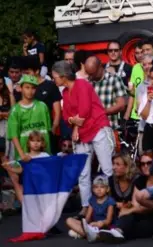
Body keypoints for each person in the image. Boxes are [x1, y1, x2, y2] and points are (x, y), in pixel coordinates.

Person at [52, 60, 114, 216]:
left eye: (55, 76)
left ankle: (111, 204)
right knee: (83, 172)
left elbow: (85, 110)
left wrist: (75, 126)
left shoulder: (83, 84)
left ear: (63, 76)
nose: (54, 79)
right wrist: (75, 123)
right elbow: (66, 116)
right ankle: (86, 206)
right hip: (81, 133)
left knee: (107, 168)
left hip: (97, 127)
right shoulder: (65, 92)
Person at [7, 75, 51, 161]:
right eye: (27, 87)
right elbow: (13, 135)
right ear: (21, 88)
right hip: (25, 155)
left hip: (44, 155)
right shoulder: (15, 110)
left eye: (33, 88)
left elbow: (48, 129)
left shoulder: (43, 106)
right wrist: (22, 155)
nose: (30, 91)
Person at [2, 130, 50, 203]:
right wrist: (8, 167)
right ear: (28, 143)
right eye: (33, 141)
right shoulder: (23, 157)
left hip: (42, 185)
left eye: (38, 141)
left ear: (42, 143)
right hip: (29, 186)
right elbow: (20, 171)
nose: (35, 143)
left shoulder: (45, 156)